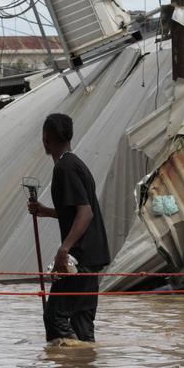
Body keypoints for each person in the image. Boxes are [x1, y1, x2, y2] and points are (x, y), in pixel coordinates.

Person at [28, 113, 111, 345]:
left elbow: (86, 213)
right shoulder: (76, 164)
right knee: (82, 325)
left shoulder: (64, 168)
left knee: (54, 316)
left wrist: (64, 250)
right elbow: (76, 212)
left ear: (46, 140)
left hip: (79, 258)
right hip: (91, 257)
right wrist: (47, 211)